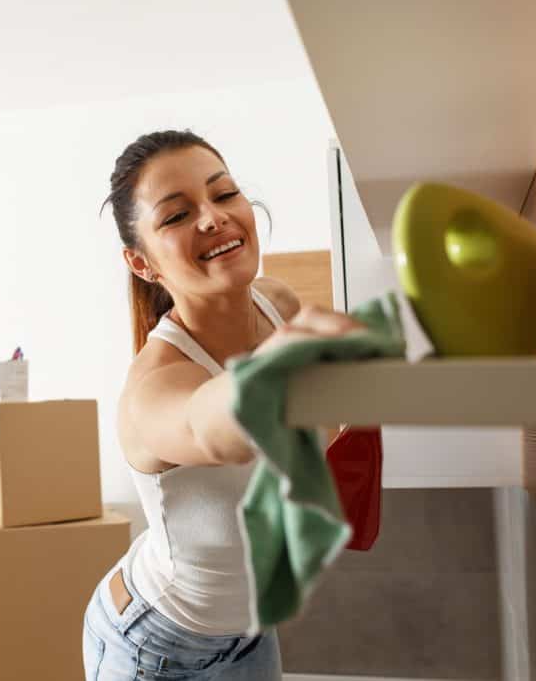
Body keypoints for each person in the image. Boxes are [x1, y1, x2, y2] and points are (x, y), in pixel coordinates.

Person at [83, 130, 363, 680]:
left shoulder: (276, 302)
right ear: (141, 264)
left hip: (250, 629)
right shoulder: (152, 388)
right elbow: (219, 426)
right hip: (155, 646)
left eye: (224, 193)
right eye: (176, 215)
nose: (213, 218)